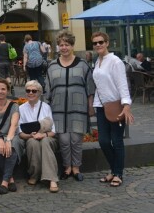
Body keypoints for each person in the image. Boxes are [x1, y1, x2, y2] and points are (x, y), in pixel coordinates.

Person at [46, 31, 95, 181]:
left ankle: (76, 168)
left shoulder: (82, 64)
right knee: (64, 141)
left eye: (67, 44)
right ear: (58, 47)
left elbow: (90, 87)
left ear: (72, 46)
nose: (64, 47)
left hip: (78, 108)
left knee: (76, 139)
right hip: (58, 109)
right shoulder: (52, 66)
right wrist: (47, 108)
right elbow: (48, 88)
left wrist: (90, 106)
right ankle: (67, 168)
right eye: (61, 45)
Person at [92, 31, 134, 188]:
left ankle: (118, 173)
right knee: (103, 140)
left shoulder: (115, 61)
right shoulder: (97, 61)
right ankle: (114, 169)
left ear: (107, 43)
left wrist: (126, 105)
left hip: (116, 105)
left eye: (101, 42)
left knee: (117, 141)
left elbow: (122, 84)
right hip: (101, 105)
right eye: (95, 43)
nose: (98, 45)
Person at [19, 80, 59, 193]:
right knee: (32, 143)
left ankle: (52, 178)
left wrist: (43, 134)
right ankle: (35, 174)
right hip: (30, 137)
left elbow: (54, 131)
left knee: (45, 142)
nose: (30, 93)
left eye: (34, 91)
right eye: (28, 90)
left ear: (39, 93)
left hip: (48, 137)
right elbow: (20, 132)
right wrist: (29, 135)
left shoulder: (46, 107)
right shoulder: (21, 108)